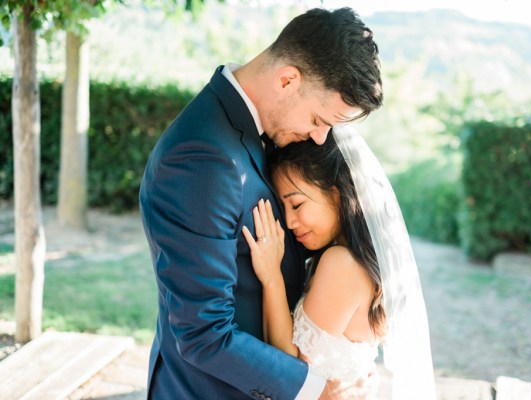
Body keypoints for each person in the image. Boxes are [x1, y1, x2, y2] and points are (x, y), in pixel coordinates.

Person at [138, 7, 383, 400]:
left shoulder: (260, 131)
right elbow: (203, 333)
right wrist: (317, 390)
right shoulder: (202, 157)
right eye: (321, 119)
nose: (321, 139)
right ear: (288, 79)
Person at [243, 126, 437, 399]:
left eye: (296, 205)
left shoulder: (341, 263)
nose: (288, 222)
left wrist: (271, 275)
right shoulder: (356, 260)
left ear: (336, 195)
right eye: (283, 209)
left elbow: (291, 368)